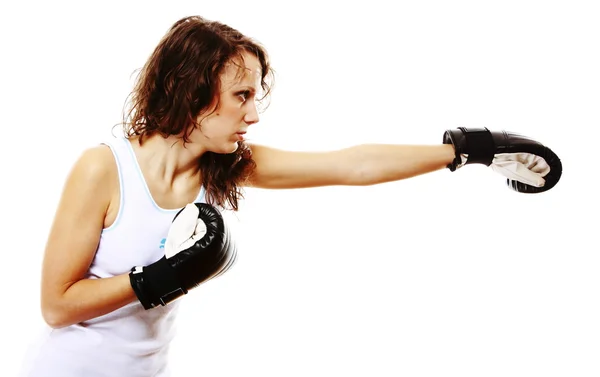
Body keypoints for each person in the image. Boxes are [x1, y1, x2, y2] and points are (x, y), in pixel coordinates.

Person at [18, 15, 562, 377]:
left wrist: (466, 150)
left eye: (256, 95)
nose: (253, 113)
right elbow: (56, 304)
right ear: (192, 90)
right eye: (241, 95)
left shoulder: (222, 169)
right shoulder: (104, 168)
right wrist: (160, 278)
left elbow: (349, 164)